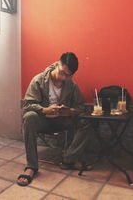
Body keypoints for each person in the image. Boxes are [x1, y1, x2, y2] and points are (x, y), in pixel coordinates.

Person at [17, 52, 92, 186]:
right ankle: (31, 166)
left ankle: (69, 159)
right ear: (57, 64)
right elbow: (27, 104)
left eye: (68, 75)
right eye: (62, 72)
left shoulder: (71, 85)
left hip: (62, 121)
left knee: (86, 121)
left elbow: (80, 107)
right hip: (43, 121)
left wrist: (69, 112)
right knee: (29, 117)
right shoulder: (38, 80)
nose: (64, 77)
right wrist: (44, 110)